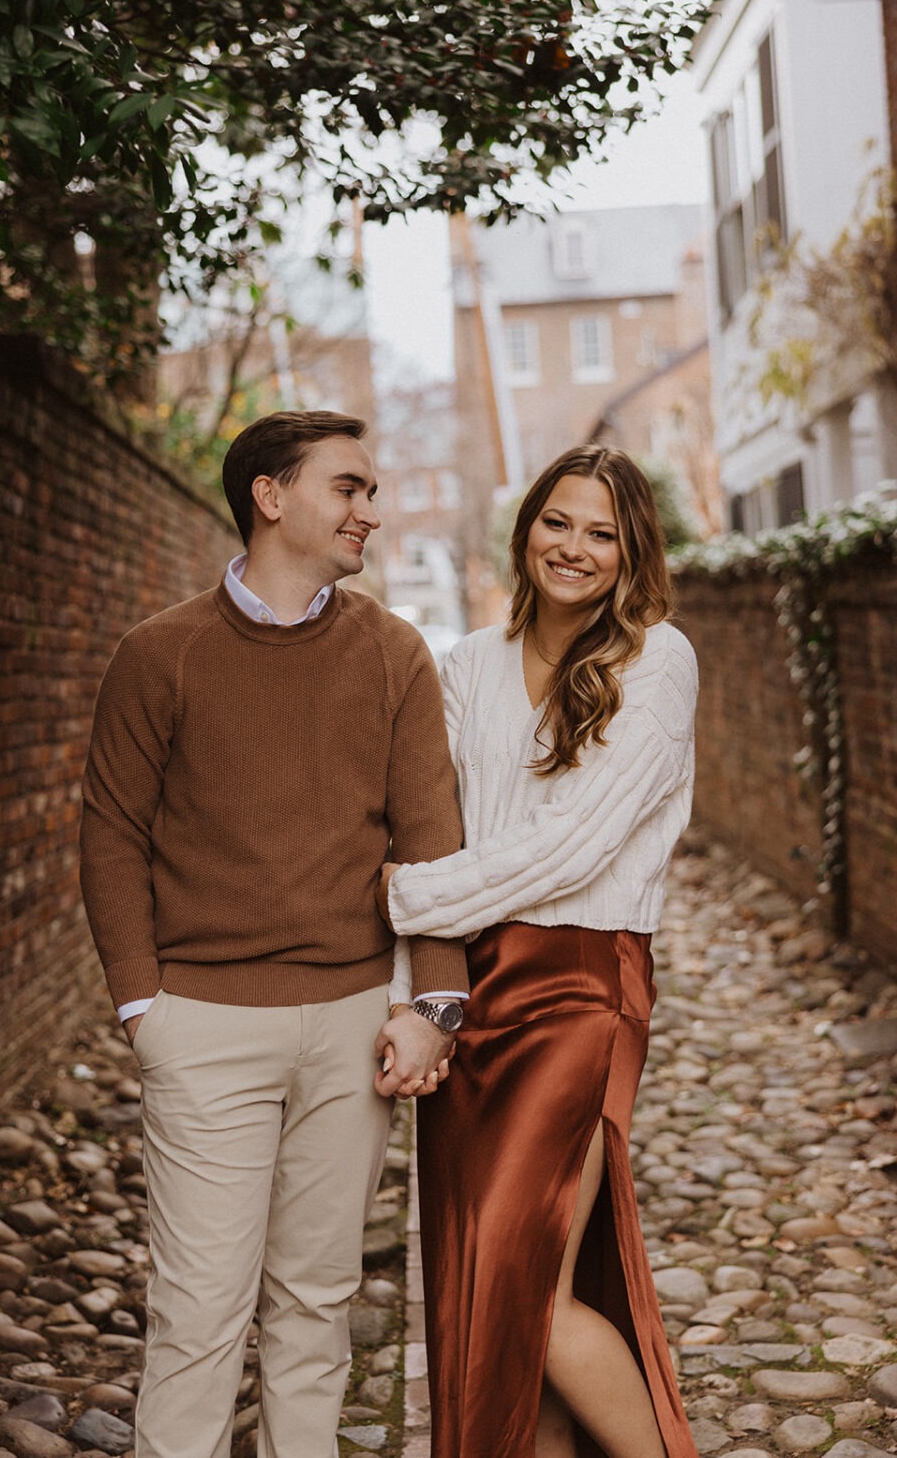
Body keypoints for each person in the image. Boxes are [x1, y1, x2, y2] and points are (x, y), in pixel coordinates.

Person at [79, 409, 470, 1458]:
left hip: (351, 1027)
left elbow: (432, 841)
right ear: (271, 494)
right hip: (201, 1027)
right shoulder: (159, 655)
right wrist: (138, 1002)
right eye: (349, 488)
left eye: (370, 492)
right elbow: (110, 829)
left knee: (315, 1305)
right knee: (198, 1314)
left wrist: (432, 1002)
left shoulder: (393, 653)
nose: (370, 512)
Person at [376, 446, 700, 1458]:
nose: (574, 548)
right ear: (524, 530)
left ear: (632, 549)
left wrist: (405, 898)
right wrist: (423, 998)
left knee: (531, 1286)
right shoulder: (466, 661)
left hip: (579, 985)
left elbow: (575, 846)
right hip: (474, 985)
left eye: (602, 533)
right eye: (557, 522)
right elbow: (435, 824)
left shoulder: (657, 659)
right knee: (483, 1282)